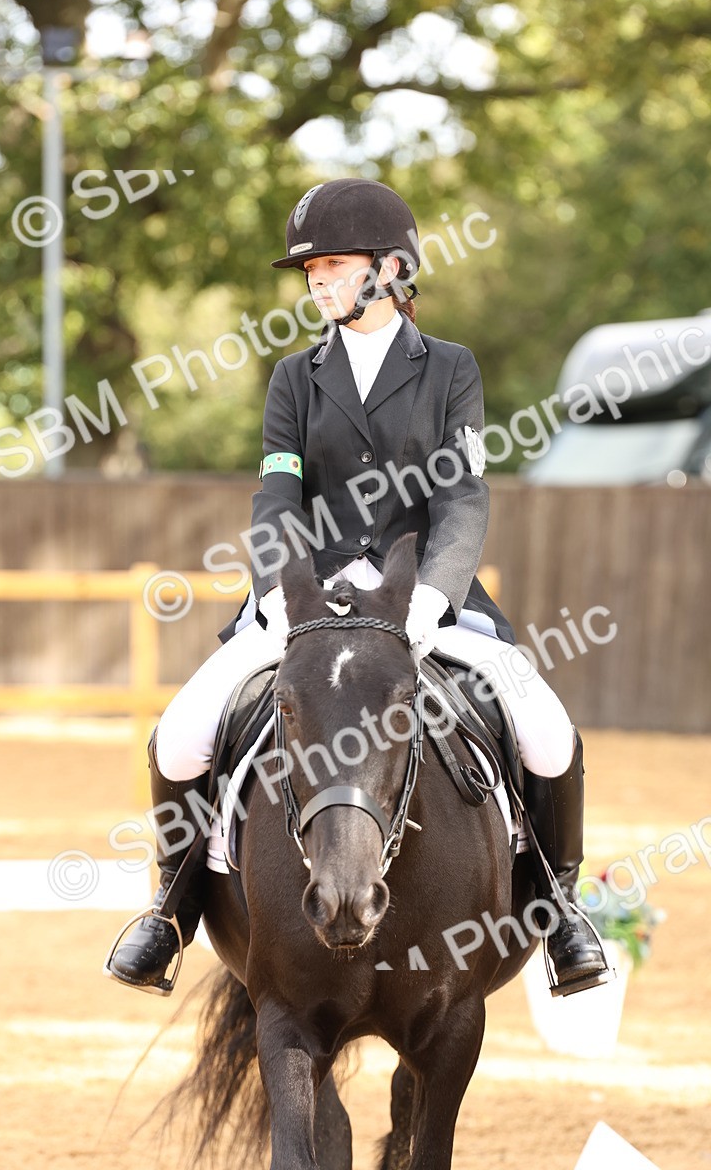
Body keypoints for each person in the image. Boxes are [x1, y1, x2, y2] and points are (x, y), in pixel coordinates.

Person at [105, 177, 610, 998]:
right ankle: (169, 911)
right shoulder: (293, 380)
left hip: (423, 597)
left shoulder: (450, 369)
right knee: (182, 735)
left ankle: (561, 909)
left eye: (332, 265)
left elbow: (463, 497)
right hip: (307, 599)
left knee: (547, 732)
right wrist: (279, 588)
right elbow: (278, 496)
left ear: (389, 268)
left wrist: (431, 598)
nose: (316, 283)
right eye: (309, 272)